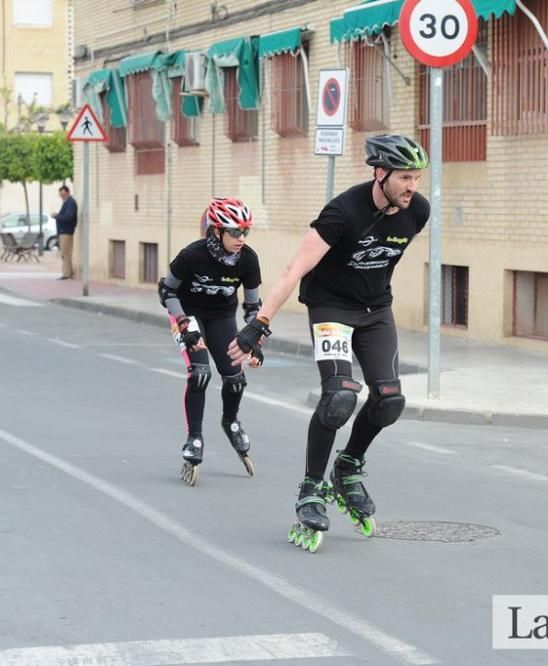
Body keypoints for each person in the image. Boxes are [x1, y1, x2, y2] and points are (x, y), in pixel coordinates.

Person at [227, 135, 430, 551]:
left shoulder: (417, 212)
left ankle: (349, 466)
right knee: (339, 396)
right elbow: (293, 270)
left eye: (416, 177)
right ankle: (311, 487)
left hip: (375, 311)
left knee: (389, 399)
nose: (413, 186)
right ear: (380, 173)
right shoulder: (342, 212)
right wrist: (257, 326)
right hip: (331, 308)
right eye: (405, 177)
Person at [159, 197, 264, 486]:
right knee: (200, 374)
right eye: (234, 232)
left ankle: (230, 421)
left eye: (246, 232)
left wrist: (254, 338)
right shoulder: (192, 255)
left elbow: (253, 307)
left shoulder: (248, 259)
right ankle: (194, 437)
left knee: (235, 378)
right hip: (188, 314)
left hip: (221, 316)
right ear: (216, 231)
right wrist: (183, 325)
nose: (241, 238)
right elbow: (167, 292)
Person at [50, 185, 78, 279]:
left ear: (68, 193)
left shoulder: (71, 203)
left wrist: (57, 216)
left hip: (66, 231)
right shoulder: (67, 203)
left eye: (63, 194)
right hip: (63, 231)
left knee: (65, 253)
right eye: (60, 195)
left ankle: (67, 274)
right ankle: (68, 272)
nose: (62, 196)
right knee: (65, 253)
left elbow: (68, 217)